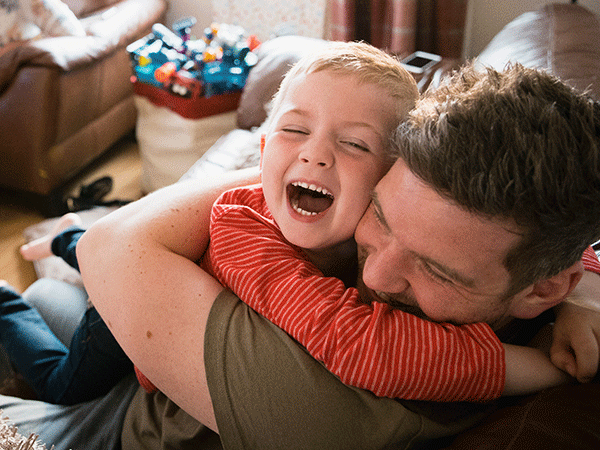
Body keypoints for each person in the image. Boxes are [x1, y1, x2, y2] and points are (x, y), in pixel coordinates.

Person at [0, 62, 598, 449]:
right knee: (54, 294)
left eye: (435, 270)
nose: (378, 271)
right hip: (146, 337)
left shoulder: (336, 410)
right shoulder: (532, 277)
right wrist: (588, 291)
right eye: (382, 217)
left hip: (100, 425)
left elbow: (116, 246)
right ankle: (58, 250)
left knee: (47, 326)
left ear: (542, 287)